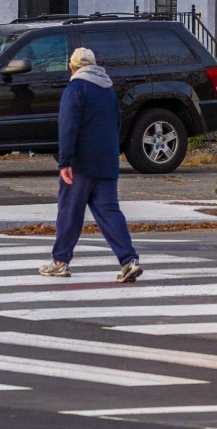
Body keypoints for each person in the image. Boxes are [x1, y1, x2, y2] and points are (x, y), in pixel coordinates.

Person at [39, 46, 143, 283]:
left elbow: (68, 127)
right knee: (110, 213)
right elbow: (117, 124)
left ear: (72, 68)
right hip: (107, 163)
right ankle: (129, 260)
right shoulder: (108, 90)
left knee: (69, 213)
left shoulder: (75, 89)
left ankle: (60, 262)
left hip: (81, 163)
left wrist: (65, 161)